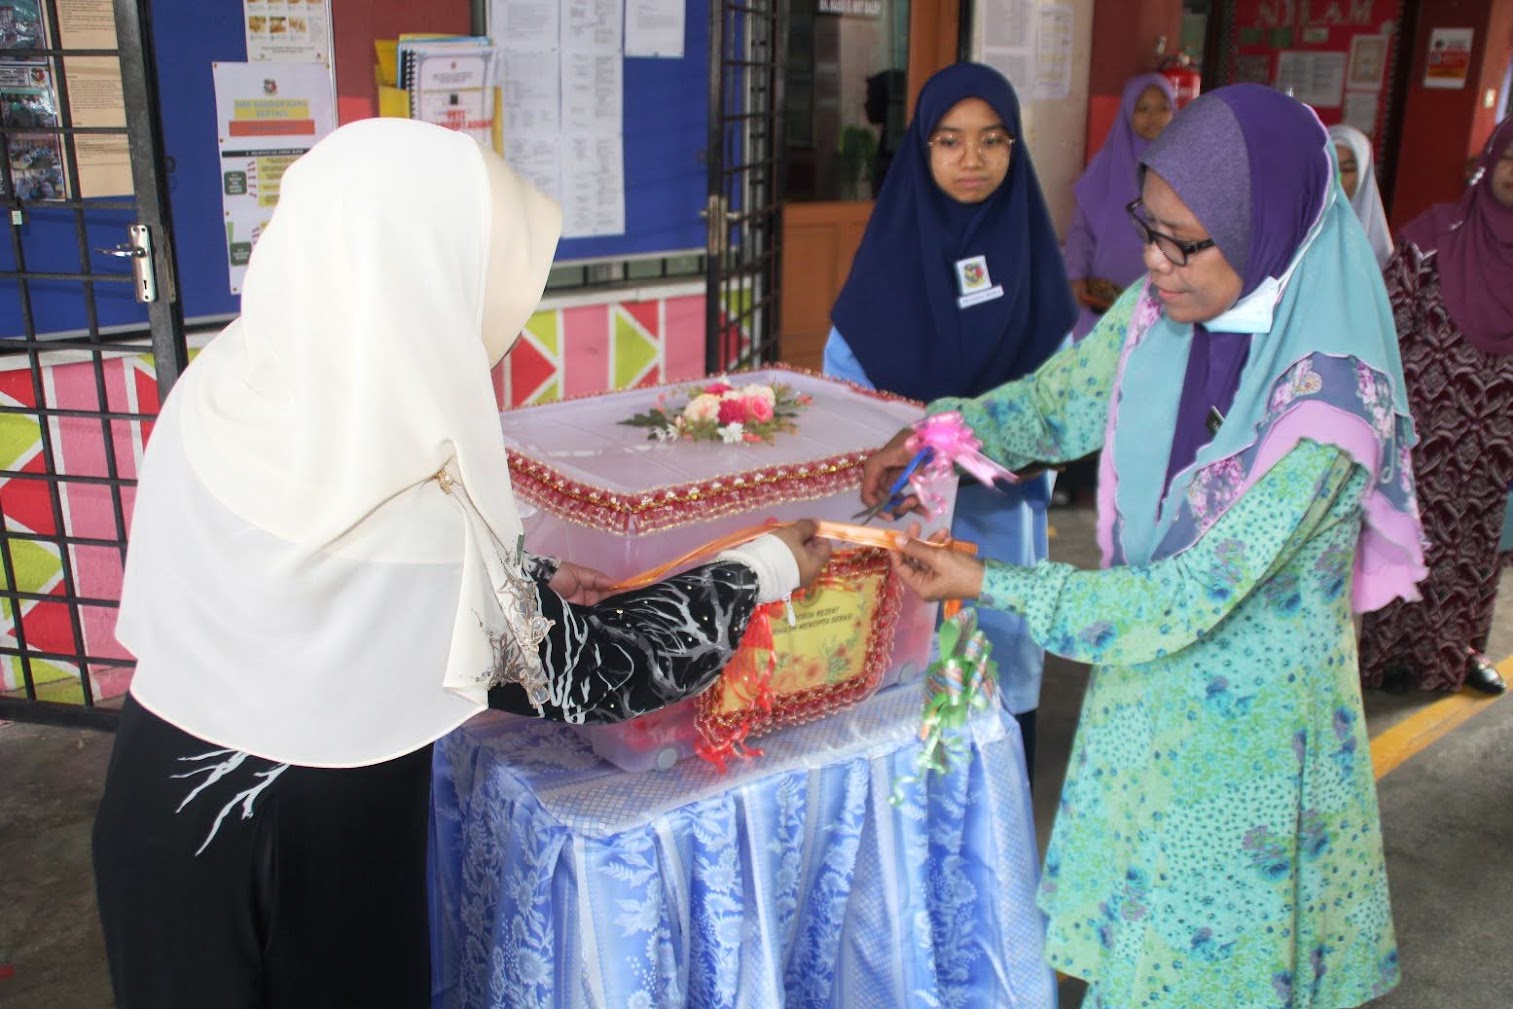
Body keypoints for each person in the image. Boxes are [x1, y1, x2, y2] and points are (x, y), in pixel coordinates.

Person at [90, 118, 832, 1007]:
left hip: (158, 810)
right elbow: (598, 672)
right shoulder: (411, 493)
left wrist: (523, 579)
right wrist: (764, 564)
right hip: (304, 855)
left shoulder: (221, 389)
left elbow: (322, 589)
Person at [864, 84, 1424, 1007]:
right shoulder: (1155, 314)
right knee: (1134, 951)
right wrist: (941, 435)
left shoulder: (1326, 414)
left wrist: (991, 579)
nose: (1151, 260)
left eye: (1182, 242)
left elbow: (1180, 596)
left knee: (1210, 966)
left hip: (1242, 742)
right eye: (1146, 227)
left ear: (1267, 233)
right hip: (1140, 696)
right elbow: (1056, 405)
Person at [823, 62, 1076, 777]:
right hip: (898, 522)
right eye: (950, 140)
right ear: (922, 148)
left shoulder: (1034, 262)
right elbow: (846, 401)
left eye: (992, 140)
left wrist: (994, 453)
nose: (972, 158)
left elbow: (1064, 406)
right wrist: (898, 468)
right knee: (896, 679)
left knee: (995, 670)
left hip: (999, 523)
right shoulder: (887, 258)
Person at [1360, 116, 1513, 695]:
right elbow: (1388, 325)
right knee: (1402, 533)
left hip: (1496, 438)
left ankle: (1458, 651)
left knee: (1475, 543)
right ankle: (1384, 655)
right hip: (1421, 430)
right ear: (1489, 161)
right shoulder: (1432, 237)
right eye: (1509, 158)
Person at [1064, 73, 1177, 342]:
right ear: (1127, 113)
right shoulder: (1104, 167)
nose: (1153, 117)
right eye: (1143, 108)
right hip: (1104, 301)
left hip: (1165, 303)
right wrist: (1076, 274)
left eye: (1163, 107)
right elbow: (1081, 231)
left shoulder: (1183, 168)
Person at [1328, 123, 1394, 267]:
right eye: (1330, 168)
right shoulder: (1298, 233)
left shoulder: (1380, 257)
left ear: (1363, 176)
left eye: (1347, 169)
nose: (1338, 178)